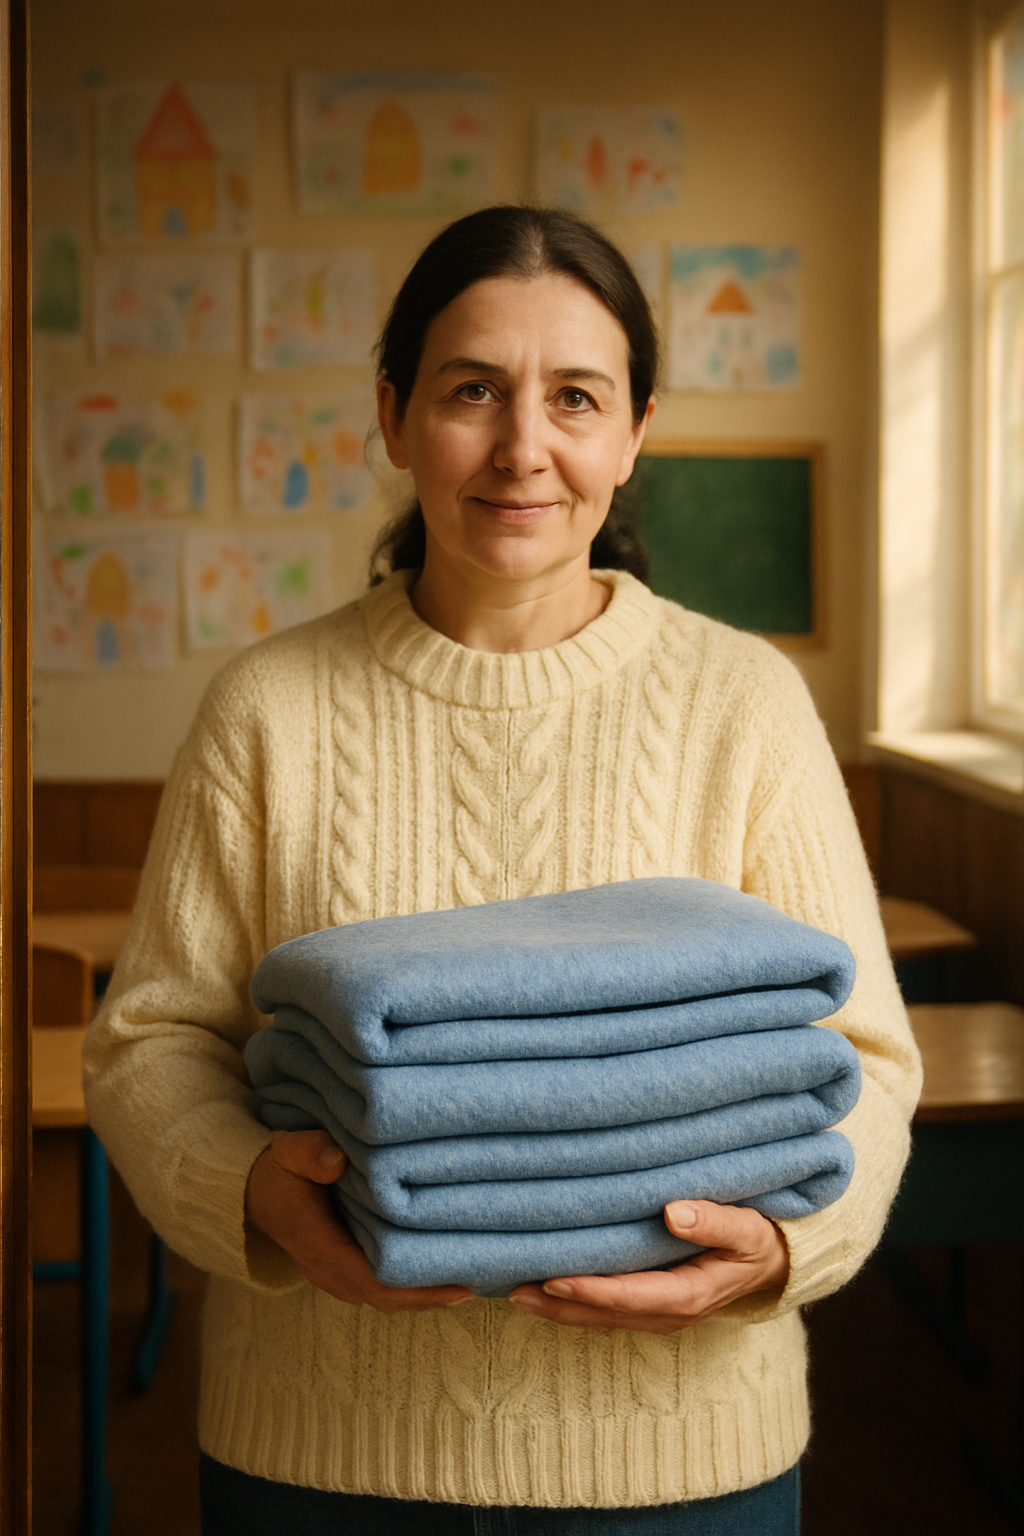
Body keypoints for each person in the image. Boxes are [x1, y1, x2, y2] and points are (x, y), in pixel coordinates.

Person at [84, 205, 922, 1535]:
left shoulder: (744, 704)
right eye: (472, 390)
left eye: (575, 398)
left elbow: (866, 1058)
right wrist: (254, 1190)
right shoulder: (268, 706)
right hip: (321, 1453)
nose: (524, 448)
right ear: (394, 415)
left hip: (682, 1459)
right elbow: (150, 1043)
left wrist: (780, 1246)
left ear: (636, 428)